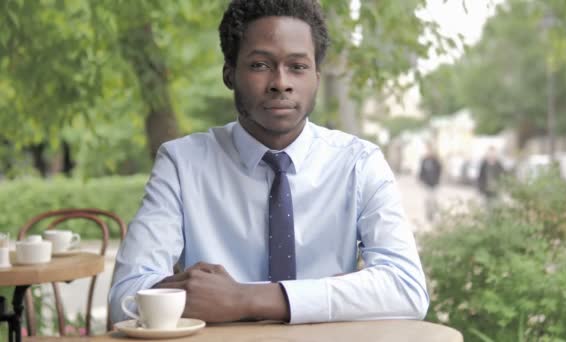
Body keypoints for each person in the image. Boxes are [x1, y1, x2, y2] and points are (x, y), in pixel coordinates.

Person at [109, 0, 428, 325]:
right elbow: (126, 297)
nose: (281, 82)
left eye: (298, 67)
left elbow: (406, 287)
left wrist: (245, 299)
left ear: (316, 77)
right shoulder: (181, 164)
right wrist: (333, 295)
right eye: (260, 65)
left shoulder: (359, 164)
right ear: (229, 73)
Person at [418, 144, 441, 222]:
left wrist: (437, 180)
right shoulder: (424, 160)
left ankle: (434, 212)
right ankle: (429, 215)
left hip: (434, 184)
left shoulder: (436, 161)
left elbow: (439, 170)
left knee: (433, 200)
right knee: (427, 200)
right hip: (426, 184)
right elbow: (421, 171)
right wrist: (421, 179)